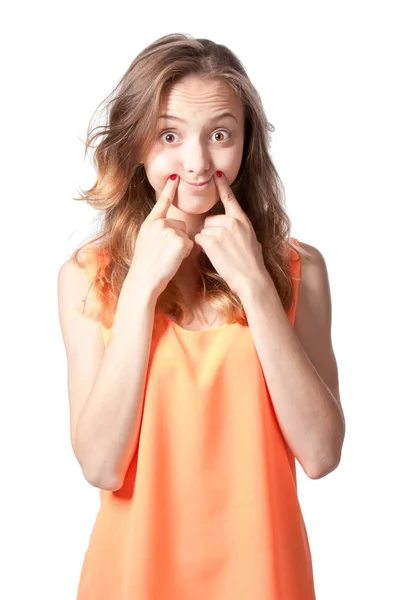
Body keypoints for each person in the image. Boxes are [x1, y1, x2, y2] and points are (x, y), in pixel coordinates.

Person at [57, 33, 346, 600]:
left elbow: (321, 453)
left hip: (265, 578)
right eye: (170, 135)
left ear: (245, 144)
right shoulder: (85, 278)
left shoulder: (299, 269)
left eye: (219, 135)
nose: (198, 163)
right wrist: (140, 287)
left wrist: (256, 288)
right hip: (132, 578)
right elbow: (101, 466)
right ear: (137, 144)